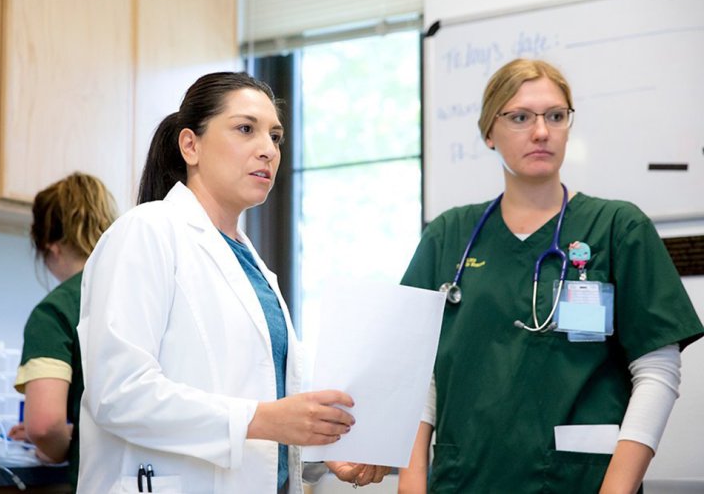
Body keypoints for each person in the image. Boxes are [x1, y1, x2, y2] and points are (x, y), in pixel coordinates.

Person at [397, 59, 703, 493]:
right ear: (489, 132)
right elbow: (414, 371)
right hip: (465, 479)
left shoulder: (617, 226)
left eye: (555, 116)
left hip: (578, 481)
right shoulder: (449, 234)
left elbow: (657, 369)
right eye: (520, 117)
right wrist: (411, 483)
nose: (541, 131)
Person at [76, 72, 389, 493]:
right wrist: (261, 418)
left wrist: (321, 452)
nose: (268, 150)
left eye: (275, 137)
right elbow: (118, 393)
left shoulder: (252, 265)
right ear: (191, 145)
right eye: (246, 129)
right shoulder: (146, 231)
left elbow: (260, 409)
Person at [9, 172, 118, 491]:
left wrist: (54, 445)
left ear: (50, 245)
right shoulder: (145, 290)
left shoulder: (56, 311)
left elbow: (44, 425)